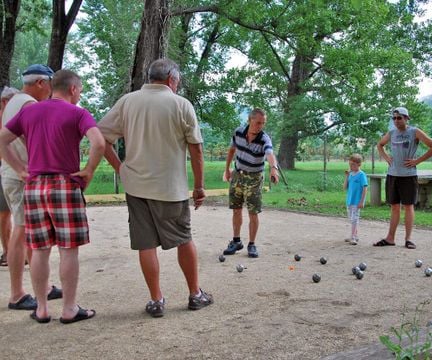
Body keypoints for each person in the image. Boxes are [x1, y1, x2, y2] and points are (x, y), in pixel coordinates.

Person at [98, 58, 213, 318]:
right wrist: (199, 186)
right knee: (184, 239)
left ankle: (156, 300)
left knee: (146, 244)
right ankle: (195, 294)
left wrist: (120, 167)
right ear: (172, 79)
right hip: (170, 188)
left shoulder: (128, 101)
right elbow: (196, 148)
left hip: (136, 185)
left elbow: (100, 136)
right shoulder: (181, 104)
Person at [0, 69, 104, 323]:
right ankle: (69, 309)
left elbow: (1, 139)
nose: (79, 95)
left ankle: (42, 309)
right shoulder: (78, 113)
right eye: (80, 90)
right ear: (72, 89)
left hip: (34, 186)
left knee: (39, 249)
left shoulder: (30, 111)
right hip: (65, 183)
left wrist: (20, 169)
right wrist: (89, 170)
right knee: (69, 250)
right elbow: (99, 142)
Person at [1, 65, 63, 310]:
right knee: (22, 230)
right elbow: (35, 141)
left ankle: (43, 286)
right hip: (21, 177)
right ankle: (16, 294)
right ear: (40, 83)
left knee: (28, 232)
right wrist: (22, 169)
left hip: (17, 174)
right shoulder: (28, 104)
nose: (51, 90)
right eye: (50, 84)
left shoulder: (15, 101)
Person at [374, 106, 432, 249]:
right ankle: (390, 238)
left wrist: (417, 161)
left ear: (406, 118)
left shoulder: (414, 132)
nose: (396, 121)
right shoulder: (391, 133)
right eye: (394, 118)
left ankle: (408, 239)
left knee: (408, 206)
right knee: (394, 207)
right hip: (392, 175)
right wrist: (386, 157)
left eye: (399, 118)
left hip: (408, 176)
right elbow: (380, 145)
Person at [222, 108, 279, 258]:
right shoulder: (238, 132)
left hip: (254, 178)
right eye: (258, 122)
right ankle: (236, 241)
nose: (260, 126)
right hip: (237, 175)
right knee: (236, 209)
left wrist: (273, 168)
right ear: (250, 120)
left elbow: (270, 154)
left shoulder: (264, 138)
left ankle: (252, 244)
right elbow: (231, 150)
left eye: (263, 123)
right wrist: (227, 169)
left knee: (253, 212)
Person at [0, 87, 17, 266]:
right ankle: (7, 252)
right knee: (5, 214)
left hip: (11, 170)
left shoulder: (14, 119)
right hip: (5, 170)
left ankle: (13, 252)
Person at [343, 153, 368, 245]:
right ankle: (355, 235)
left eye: (353, 165)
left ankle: (353, 237)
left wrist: (362, 201)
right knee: (351, 218)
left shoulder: (361, 175)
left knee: (354, 219)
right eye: (350, 164)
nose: (351, 166)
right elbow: (345, 187)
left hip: (357, 201)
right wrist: (346, 176)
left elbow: (365, 188)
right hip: (350, 200)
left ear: (359, 164)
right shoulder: (350, 174)